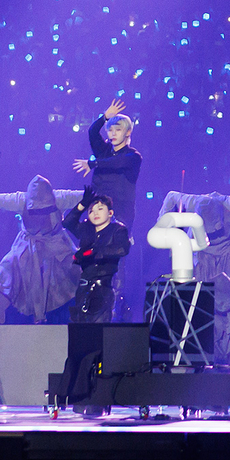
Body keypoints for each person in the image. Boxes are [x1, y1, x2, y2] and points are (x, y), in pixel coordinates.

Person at [72, 97, 144, 319]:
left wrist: (93, 163)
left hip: (120, 211)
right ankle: (89, 297)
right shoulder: (103, 151)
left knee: (114, 254)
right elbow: (93, 133)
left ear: (127, 133)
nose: (112, 133)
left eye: (118, 129)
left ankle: (115, 301)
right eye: (110, 129)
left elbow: (117, 163)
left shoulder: (132, 157)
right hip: (96, 210)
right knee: (90, 250)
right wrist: (104, 116)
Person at [0, 175, 83, 324]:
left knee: (82, 269)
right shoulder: (20, 200)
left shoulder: (60, 198)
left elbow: (91, 197)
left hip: (57, 245)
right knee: (6, 269)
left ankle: (89, 310)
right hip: (27, 246)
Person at [158, 188, 230, 282]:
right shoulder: (192, 202)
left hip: (229, 248)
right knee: (198, 283)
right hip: (203, 251)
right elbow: (171, 196)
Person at [62, 191, 132, 322]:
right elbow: (67, 223)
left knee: (99, 328)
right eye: (91, 211)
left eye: (100, 209)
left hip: (103, 287)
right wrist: (82, 204)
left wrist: (95, 251)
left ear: (110, 213)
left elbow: (122, 249)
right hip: (84, 285)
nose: (95, 213)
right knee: (80, 325)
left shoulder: (117, 230)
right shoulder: (85, 229)